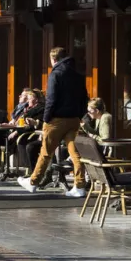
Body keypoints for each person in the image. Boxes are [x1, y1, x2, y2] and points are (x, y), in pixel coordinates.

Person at [20, 47, 88, 197]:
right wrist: (79, 114)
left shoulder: (55, 74)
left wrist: (46, 118)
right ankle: (80, 186)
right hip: (74, 119)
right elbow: (85, 98)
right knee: (75, 153)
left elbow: (51, 99)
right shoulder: (78, 74)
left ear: (53, 59)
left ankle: (33, 182)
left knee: (45, 152)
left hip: (56, 119)